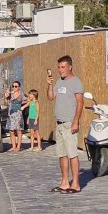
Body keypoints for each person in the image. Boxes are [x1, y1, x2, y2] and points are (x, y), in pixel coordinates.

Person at [47, 55, 84, 193]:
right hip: (59, 124)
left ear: (70, 67)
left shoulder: (76, 82)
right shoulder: (59, 81)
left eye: (63, 67)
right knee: (62, 154)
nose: (60, 70)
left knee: (72, 154)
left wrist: (76, 122)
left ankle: (75, 184)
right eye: (59, 67)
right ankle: (64, 183)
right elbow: (51, 97)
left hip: (70, 123)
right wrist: (50, 84)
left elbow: (80, 103)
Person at [4, 80, 27, 152]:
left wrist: (23, 106)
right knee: (11, 131)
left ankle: (18, 147)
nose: (14, 87)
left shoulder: (21, 94)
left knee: (19, 131)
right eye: (13, 86)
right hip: (11, 115)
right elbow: (5, 103)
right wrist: (6, 96)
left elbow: (29, 100)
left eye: (16, 86)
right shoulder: (10, 94)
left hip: (18, 115)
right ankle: (13, 146)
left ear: (19, 87)